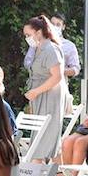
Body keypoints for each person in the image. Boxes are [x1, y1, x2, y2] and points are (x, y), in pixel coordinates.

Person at [22, 16, 65, 160]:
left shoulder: (51, 49)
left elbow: (57, 76)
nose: (27, 38)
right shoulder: (38, 49)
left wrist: (36, 91)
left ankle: (39, 174)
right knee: (42, 136)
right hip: (39, 96)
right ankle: (57, 174)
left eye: (29, 35)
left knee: (47, 136)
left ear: (39, 32)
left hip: (49, 97)